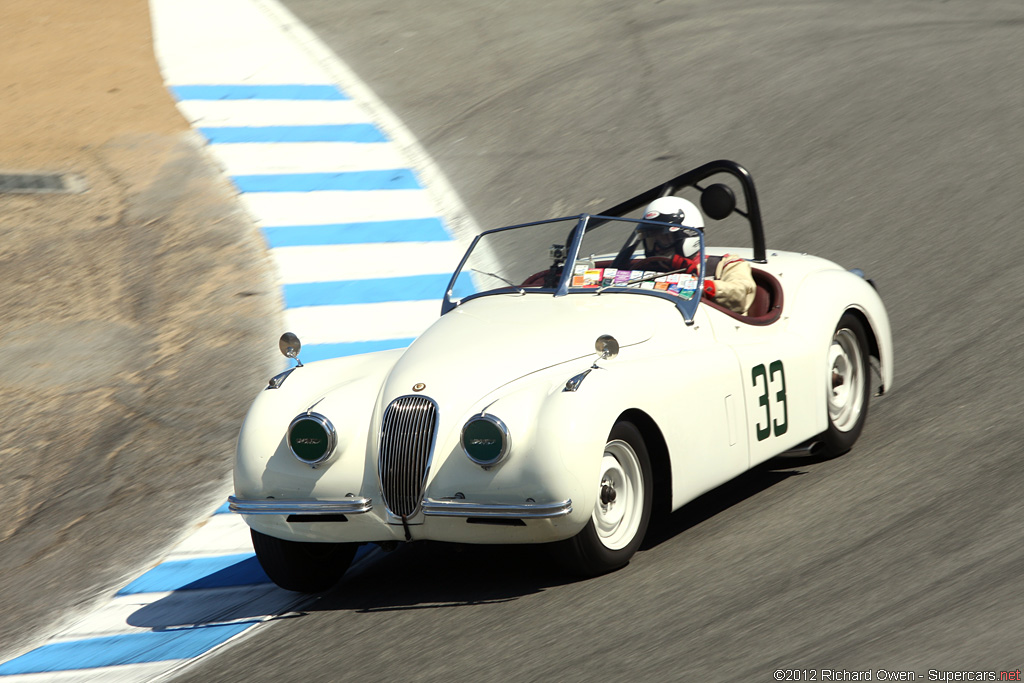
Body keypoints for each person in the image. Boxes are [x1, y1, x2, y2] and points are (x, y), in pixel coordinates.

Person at [638, 196, 756, 315]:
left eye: (664, 239)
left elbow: (741, 293)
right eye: (652, 239)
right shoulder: (646, 269)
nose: (657, 247)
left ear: (688, 236)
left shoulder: (726, 265)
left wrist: (698, 286)